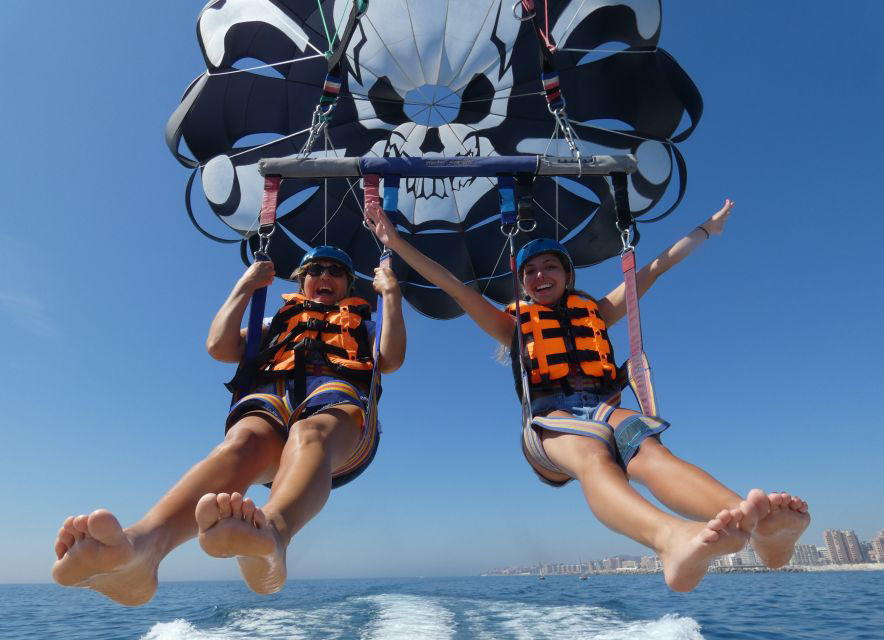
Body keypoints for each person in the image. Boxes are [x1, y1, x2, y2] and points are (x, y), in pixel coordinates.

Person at [364, 199, 809, 591]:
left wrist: (706, 231)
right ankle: (669, 539)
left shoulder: (595, 311)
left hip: (603, 408)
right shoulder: (513, 324)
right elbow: (450, 283)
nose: (541, 275)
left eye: (551, 267)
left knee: (651, 452)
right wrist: (394, 241)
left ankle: (763, 528)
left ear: (568, 275)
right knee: (594, 457)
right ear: (523, 284)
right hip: (550, 424)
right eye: (531, 271)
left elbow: (654, 269)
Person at [52, 246, 405, 605]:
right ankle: (141, 551)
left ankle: (273, 537)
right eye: (315, 269)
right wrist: (246, 285)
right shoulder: (274, 324)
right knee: (241, 443)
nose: (325, 276)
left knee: (309, 432)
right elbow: (218, 347)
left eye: (336, 271)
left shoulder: (367, 325)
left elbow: (390, 358)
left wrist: (391, 293)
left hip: (337, 415)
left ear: (348, 285)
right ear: (302, 281)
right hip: (273, 405)